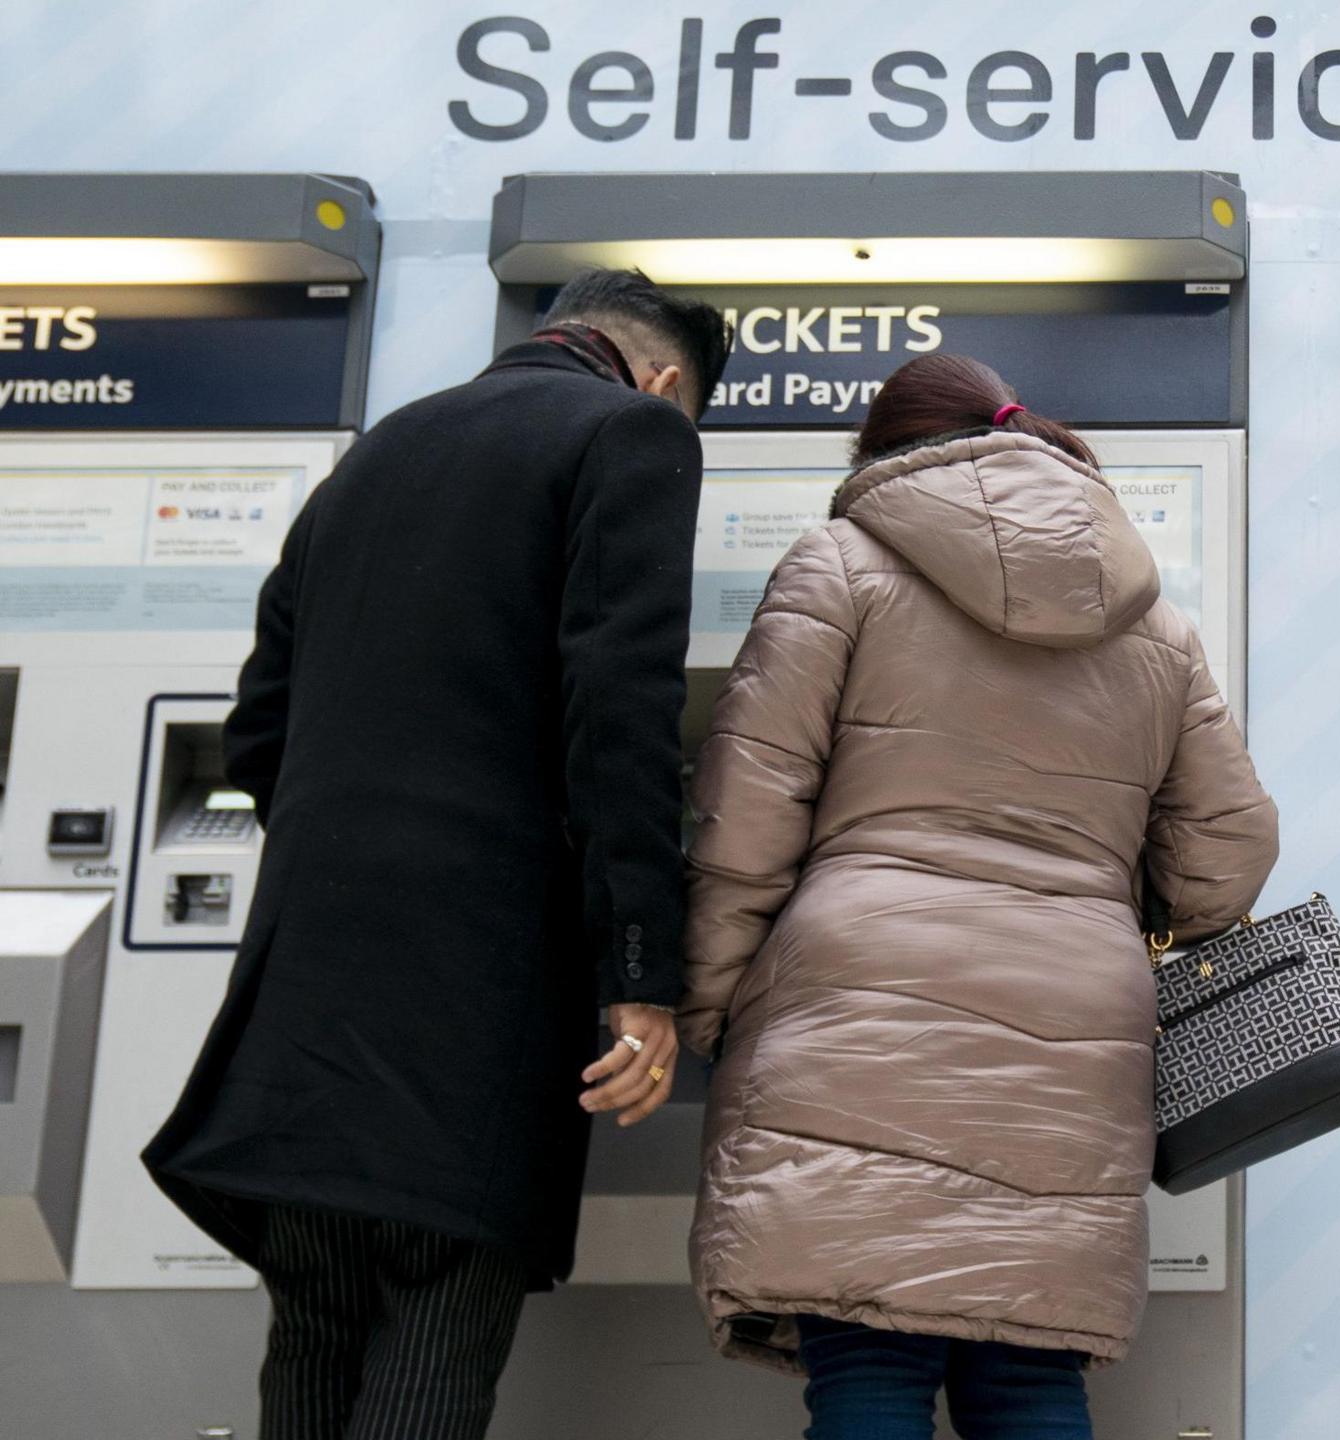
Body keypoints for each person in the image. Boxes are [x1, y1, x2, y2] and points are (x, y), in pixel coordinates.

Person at [142, 268, 731, 1440]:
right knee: (438, 1315)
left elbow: (262, 724)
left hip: (304, 990)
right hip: (476, 993)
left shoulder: (376, 452)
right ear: (665, 381)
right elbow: (616, 717)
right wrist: (640, 976)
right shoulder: (631, 433)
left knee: (312, 1320)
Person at [680, 353, 1279, 1440]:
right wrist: (1110, 908)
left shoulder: (837, 566)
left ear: (878, 454)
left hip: (858, 1001)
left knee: (867, 1371)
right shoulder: (1158, 629)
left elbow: (747, 813)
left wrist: (712, 1003)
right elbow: (1227, 853)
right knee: (1029, 1376)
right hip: (1075, 1017)